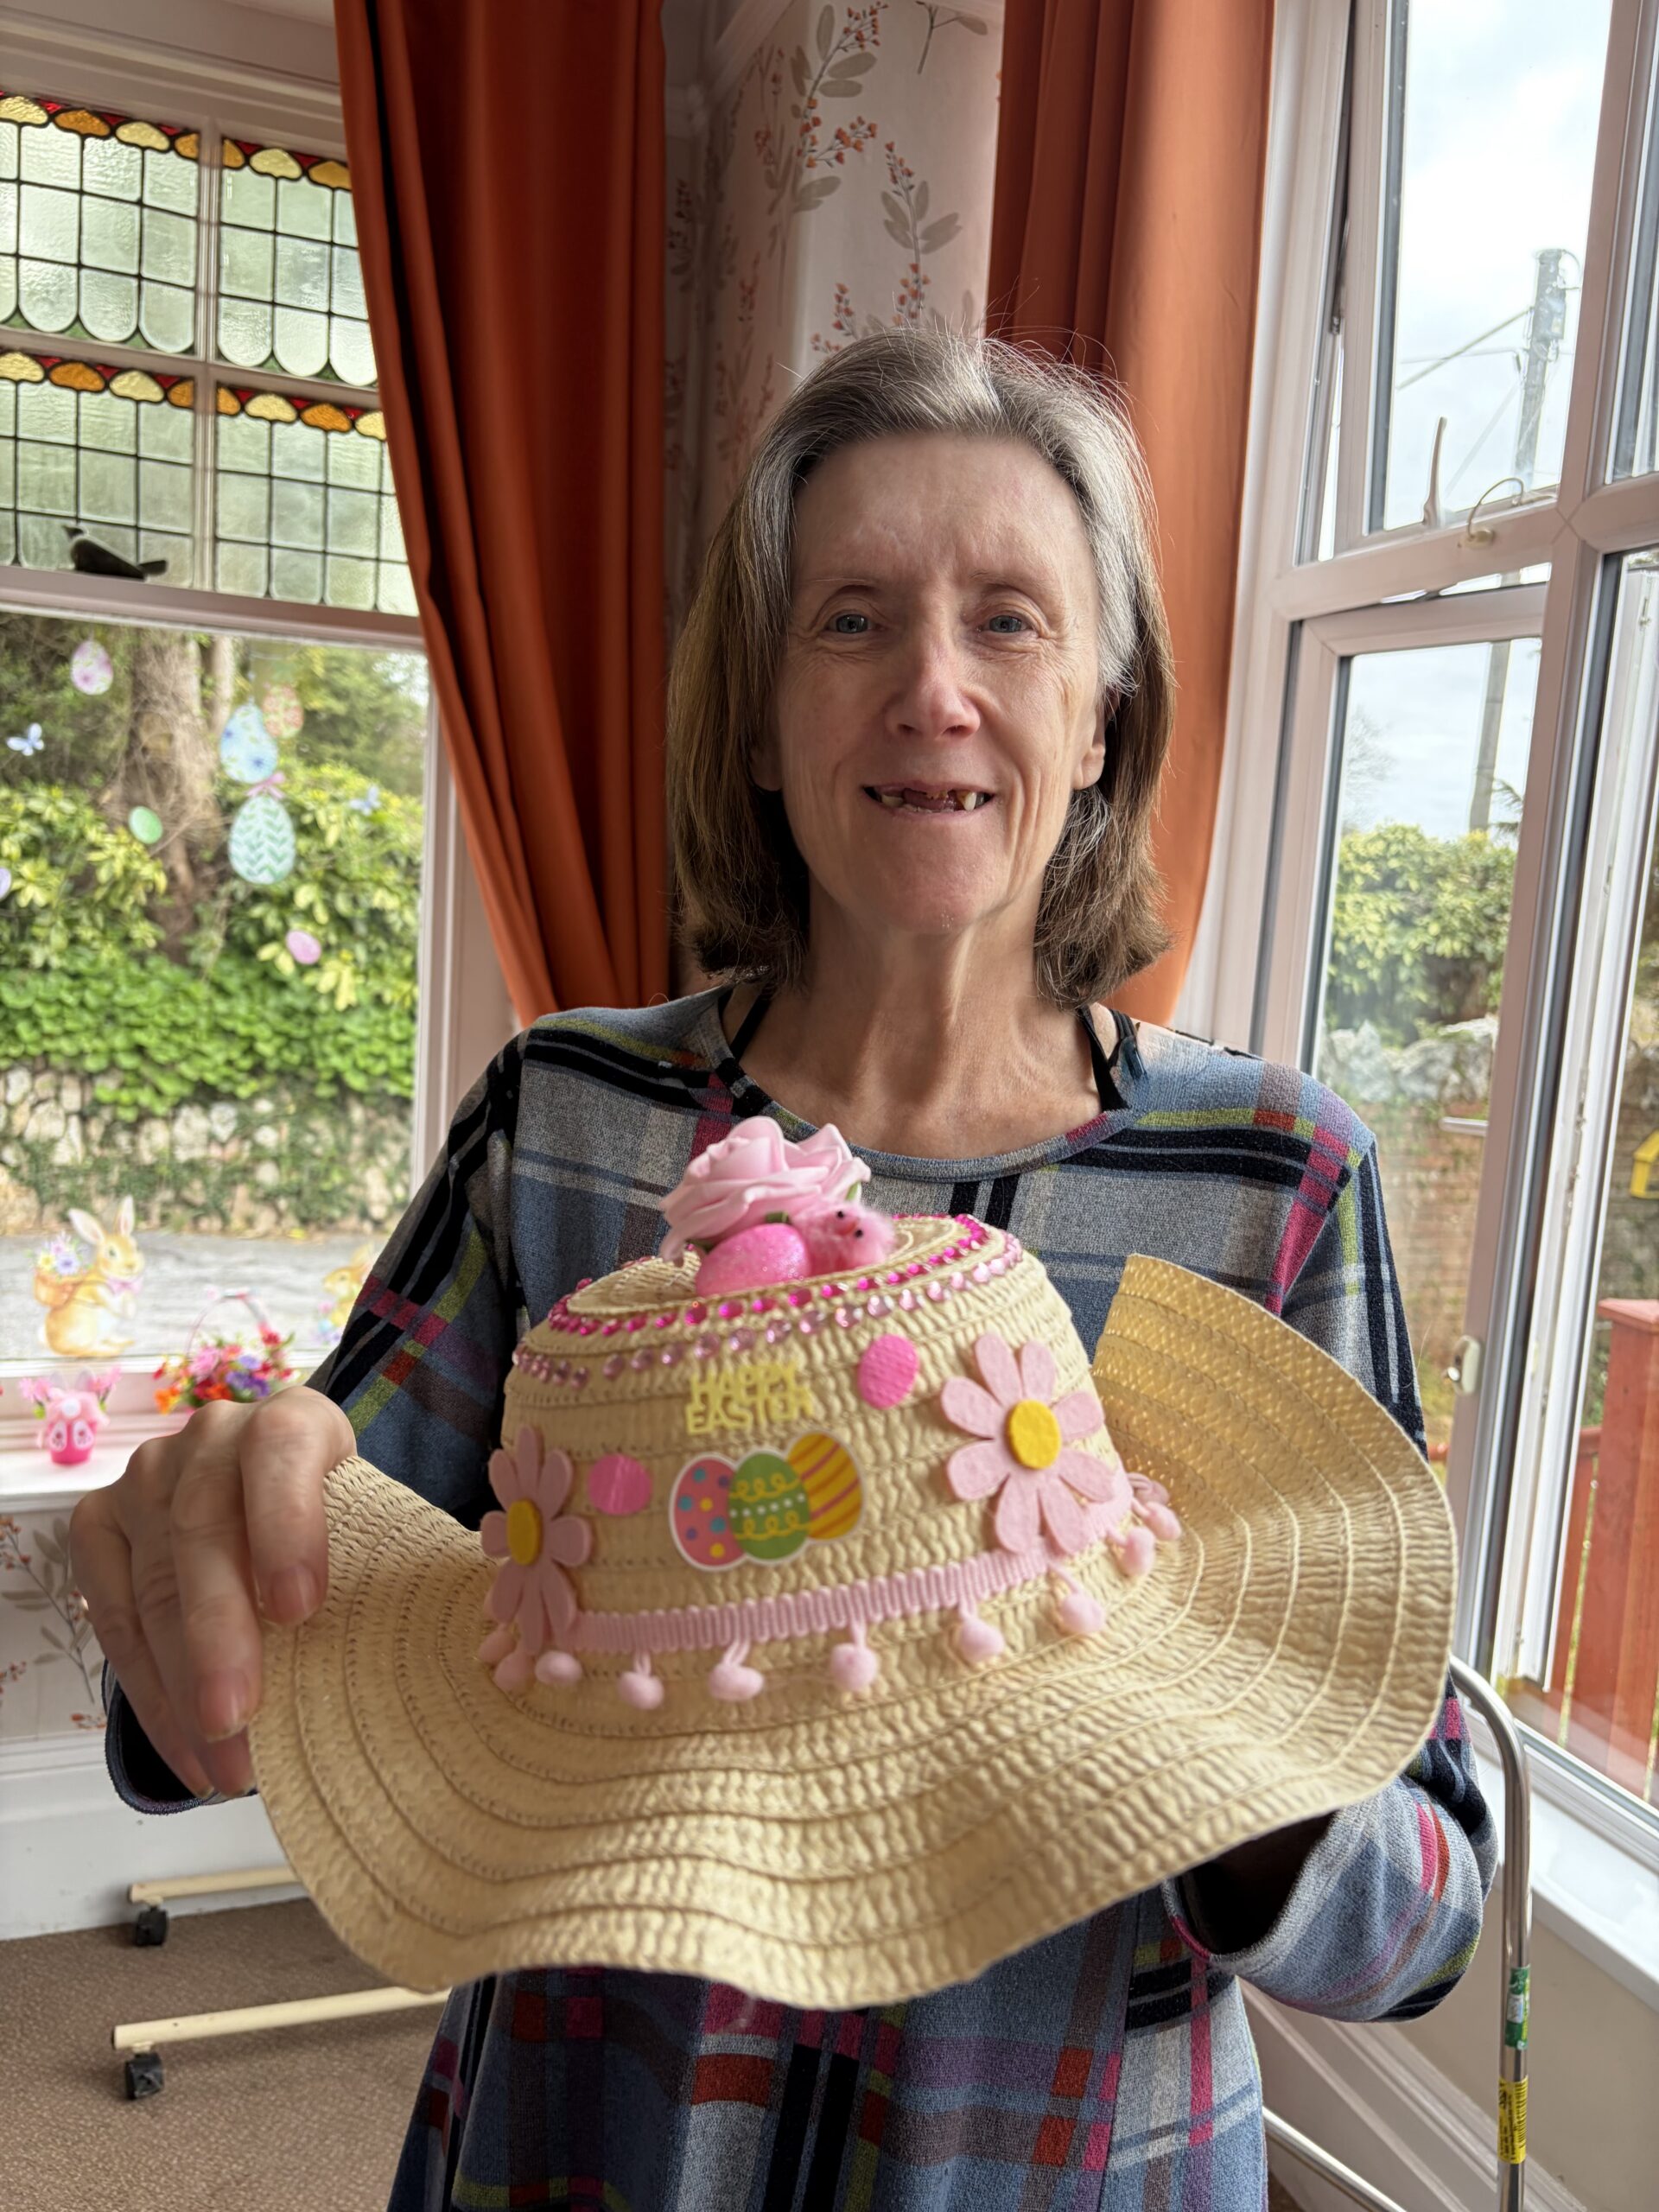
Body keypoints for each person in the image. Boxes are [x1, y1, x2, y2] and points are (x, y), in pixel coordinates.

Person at [73, 330, 1495, 2209]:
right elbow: (308, 1644)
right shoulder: (567, 1111)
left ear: (1099, 716)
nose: (932, 688)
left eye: (1008, 620)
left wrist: (1169, 1710)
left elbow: (1423, 1911)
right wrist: (202, 1572)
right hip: (599, 2141)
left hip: (1058, 2160)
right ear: (755, 715)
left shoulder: (1275, 1178)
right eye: (850, 620)